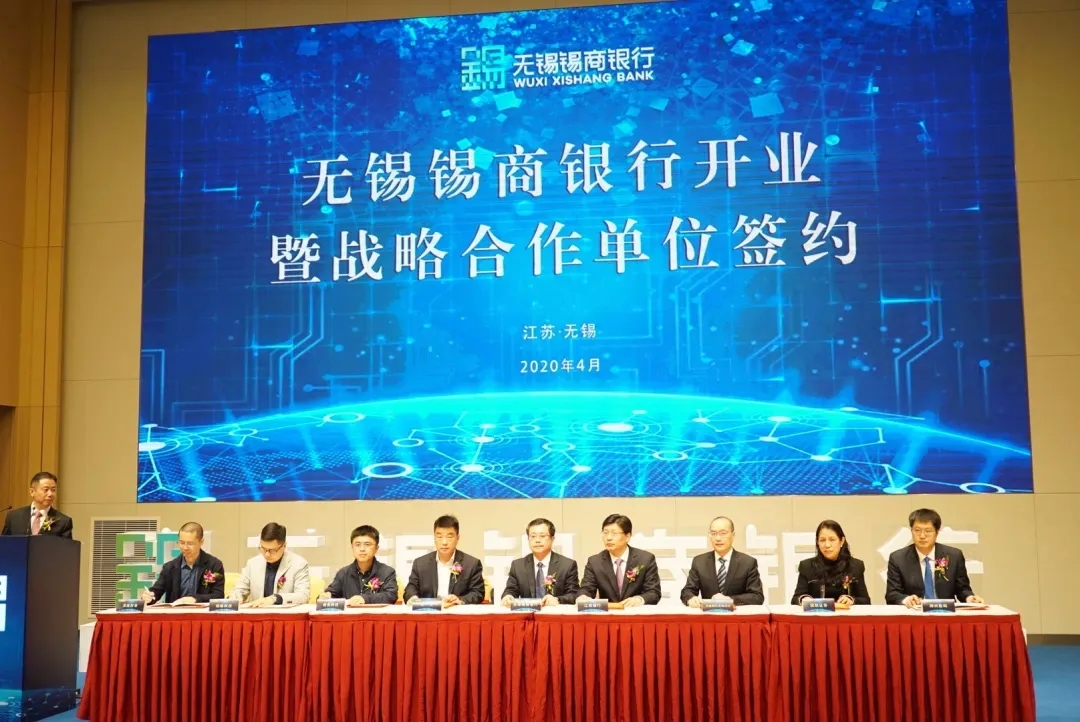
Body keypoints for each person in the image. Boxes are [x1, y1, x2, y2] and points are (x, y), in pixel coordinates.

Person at [885, 508, 984, 608]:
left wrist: (969, 598)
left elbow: (963, 589)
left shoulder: (954, 556)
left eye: (928, 531)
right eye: (917, 530)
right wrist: (907, 599)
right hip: (914, 612)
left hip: (946, 612)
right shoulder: (898, 558)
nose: (922, 536)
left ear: (937, 532)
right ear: (911, 531)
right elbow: (892, 594)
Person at [577, 514, 661, 606]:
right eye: (605, 533)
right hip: (609, 612)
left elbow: (654, 592)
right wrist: (583, 596)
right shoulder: (595, 562)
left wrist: (639, 599)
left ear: (627, 536)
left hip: (635, 612)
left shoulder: (645, 559)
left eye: (614, 533)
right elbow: (586, 589)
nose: (608, 538)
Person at [681, 516, 765, 607]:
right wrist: (691, 598)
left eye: (723, 533)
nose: (718, 538)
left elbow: (757, 596)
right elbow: (687, 591)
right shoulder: (699, 562)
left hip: (736, 615)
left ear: (733, 535)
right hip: (709, 614)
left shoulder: (748, 562)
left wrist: (730, 600)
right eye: (713, 533)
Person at [404, 515, 486, 605]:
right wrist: (413, 598)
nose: (444, 542)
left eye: (449, 537)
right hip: (429, 611)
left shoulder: (471, 564)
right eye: (439, 537)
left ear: (457, 538)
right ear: (434, 538)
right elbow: (411, 588)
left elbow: (478, 592)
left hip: (456, 611)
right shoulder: (420, 564)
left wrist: (460, 600)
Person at [501, 518, 580, 606]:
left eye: (542, 536)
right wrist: (508, 596)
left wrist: (557, 600)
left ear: (552, 539)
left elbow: (574, 595)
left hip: (554, 613)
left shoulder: (567, 565)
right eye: (533, 536)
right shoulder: (518, 565)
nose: (537, 540)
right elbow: (511, 590)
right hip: (527, 613)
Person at [140, 522, 225, 604]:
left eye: (190, 543)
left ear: (201, 542)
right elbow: (156, 591)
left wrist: (195, 598)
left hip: (202, 612)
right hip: (176, 612)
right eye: (181, 542)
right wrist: (149, 597)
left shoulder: (214, 565)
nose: (185, 547)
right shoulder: (169, 567)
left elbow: (218, 595)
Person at [791, 519, 871, 605]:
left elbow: (866, 601)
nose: (827, 545)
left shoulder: (855, 566)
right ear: (817, 542)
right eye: (822, 540)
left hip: (845, 613)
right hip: (817, 613)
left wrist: (851, 600)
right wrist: (804, 598)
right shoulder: (806, 566)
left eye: (832, 540)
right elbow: (795, 599)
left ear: (842, 541)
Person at [230, 522, 311, 607]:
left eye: (272, 550)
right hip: (258, 613)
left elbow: (303, 596)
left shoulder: (299, 564)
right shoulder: (252, 563)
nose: (267, 554)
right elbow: (240, 589)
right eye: (263, 548)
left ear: (284, 546)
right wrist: (236, 597)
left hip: (283, 614)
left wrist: (275, 599)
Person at [321, 525, 399, 605]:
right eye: (357, 545)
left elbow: (391, 596)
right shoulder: (343, 573)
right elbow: (332, 593)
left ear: (376, 548)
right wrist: (327, 596)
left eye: (367, 544)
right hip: (350, 613)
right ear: (352, 547)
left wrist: (365, 599)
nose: (362, 549)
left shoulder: (387, 572)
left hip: (375, 613)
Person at [0, 472, 73, 538]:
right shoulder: (14, 517)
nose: (50, 494)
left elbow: (66, 548)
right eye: (46, 490)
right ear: (32, 492)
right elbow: (4, 544)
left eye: (53, 490)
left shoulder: (64, 521)